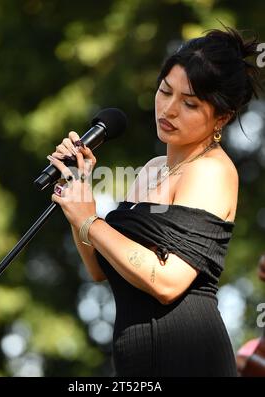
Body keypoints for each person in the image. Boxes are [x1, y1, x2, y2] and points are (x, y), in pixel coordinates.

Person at [47, 25, 262, 376]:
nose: (169, 109)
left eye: (189, 103)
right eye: (165, 91)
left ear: (221, 117)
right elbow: (99, 268)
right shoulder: (152, 169)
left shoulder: (211, 171)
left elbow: (167, 282)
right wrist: (79, 188)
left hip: (188, 360)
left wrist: (90, 221)